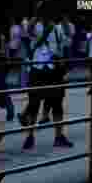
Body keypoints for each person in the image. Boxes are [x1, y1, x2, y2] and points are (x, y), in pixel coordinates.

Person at [21, 15, 73, 149]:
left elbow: (67, 38)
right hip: (37, 69)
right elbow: (28, 29)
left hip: (53, 70)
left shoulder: (57, 28)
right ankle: (30, 137)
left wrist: (64, 18)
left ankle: (59, 137)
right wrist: (38, 13)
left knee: (57, 104)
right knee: (33, 105)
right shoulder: (35, 26)